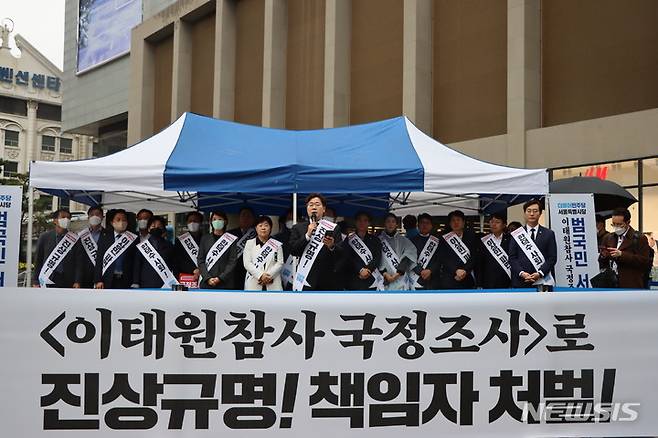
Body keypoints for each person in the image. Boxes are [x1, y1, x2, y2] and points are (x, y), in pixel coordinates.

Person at [288, 193, 343, 290]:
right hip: (305, 278)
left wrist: (331, 246)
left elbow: (341, 254)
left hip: (327, 280)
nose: (314, 207)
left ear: (324, 209)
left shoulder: (333, 228)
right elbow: (293, 250)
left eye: (317, 204)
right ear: (307, 208)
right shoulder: (298, 227)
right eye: (311, 205)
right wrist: (307, 235)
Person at [508, 199, 557, 289]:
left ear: (540, 213)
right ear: (524, 213)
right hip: (520, 281)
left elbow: (552, 258)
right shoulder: (517, 234)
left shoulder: (549, 234)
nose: (531, 214)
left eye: (535, 211)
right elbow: (512, 258)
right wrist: (522, 273)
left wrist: (540, 273)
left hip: (542, 281)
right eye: (529, 211)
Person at [599, 208, 651, 289]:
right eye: (613, 224)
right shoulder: (608, 237)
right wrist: (604, 255)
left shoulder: (639, 238)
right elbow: (601, 261)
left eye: (620, 224)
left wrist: (621, 255)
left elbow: (644, 261)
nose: (616, 227)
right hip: (610, 282)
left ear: (628, 222)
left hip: (630, 284)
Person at [94, 209, 139, 289]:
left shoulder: (133, 238)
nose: (121, 222)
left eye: (124, 220)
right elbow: (99, 260)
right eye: (118, 219)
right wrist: (98, 280)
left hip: (127, 279)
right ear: (112, 223)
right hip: (107, 279)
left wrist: (135, 282)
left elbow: (136, 262)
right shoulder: (105, 238)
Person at [33, 209, 78, 288]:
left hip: (68, 280)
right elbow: (38, 260)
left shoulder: (74, 238)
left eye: (68, 218)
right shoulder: (45, 237)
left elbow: (78, 263)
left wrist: (77, 281)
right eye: (63, 217)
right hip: (48, 277)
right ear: (55, 220)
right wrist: (36, 281)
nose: (66, 220)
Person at [341, 212, 383, 290]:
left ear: (369, 223)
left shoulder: (375, 240)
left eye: (365, 220)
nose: (362, 223)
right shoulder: (349, 239)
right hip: (353, 279)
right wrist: (360, 269)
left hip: (371, 279)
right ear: (355, 222)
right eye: (359, 220)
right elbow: (346, 257)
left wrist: (368, 269)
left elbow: (378, 257)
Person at [133, 216, 177, 288]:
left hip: (165, 283)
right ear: (149, 228)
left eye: (159, 226)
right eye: (153, 226)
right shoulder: (142, 246)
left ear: (163, 229)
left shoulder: (170, 245)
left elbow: (175, 264)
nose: (156, 228)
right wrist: (135, 282)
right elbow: (137, 266)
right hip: (146, 282)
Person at [198, 211, 239, 289]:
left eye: (220, 219)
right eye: (214, 219)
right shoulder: (205, 238)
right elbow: (200, 260)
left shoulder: (231, 239)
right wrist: (207, 278)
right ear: (211, 222)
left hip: (225, 282)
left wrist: (220, 278)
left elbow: (232, 261)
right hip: (207, 282)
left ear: (225, 222)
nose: (217, 221)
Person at [243, 216, 284, 290]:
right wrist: (261, 275)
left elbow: (280, 262)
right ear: (256, 228)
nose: (263, 228)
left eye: (266, 225)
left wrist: (268, 276)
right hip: (254, 282)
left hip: (273, 282)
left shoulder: (276, 244)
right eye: (260, 225)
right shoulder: (249, 243)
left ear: (270, 228)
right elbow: (247, 263)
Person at [439, 210, 478, 289]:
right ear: (450, 223)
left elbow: (474, 256)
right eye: (453, 220)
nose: (456, 222)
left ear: (463, 222)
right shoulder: (444, 239)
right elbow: (443, 258)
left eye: (458, 220)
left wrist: (465, 270)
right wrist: (456, 270)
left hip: (467, 277)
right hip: (449, 279)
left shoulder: (471, 237)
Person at [378, 213, 417, 290]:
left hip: (400, 279)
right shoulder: (378, 240)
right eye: (388, 221)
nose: (390, 224)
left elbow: (408, 256)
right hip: (384, 279)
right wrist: (385, 274)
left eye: (393, 221)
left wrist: (398, 273)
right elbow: (377, 259)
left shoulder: (404, 240)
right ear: (384, 224)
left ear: (396, 224)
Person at [477, 212, 511, 289]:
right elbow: (479, 264)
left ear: (504, 225)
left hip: (506, 281)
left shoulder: (510, 240)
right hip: (488, 282)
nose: (494, 224)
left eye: (497, 222)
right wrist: (479, 284)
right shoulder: (484, 240)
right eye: (492, 222)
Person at [74, 206, 104, 289]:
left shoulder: (108, 234)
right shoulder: (81, 235)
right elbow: (79, 259)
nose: (95, 217)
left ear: (102, 217)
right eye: (92, 215)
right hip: (85, 276)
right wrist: (77, 280)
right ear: (88, 217)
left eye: (97, 214)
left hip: (102, 277)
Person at [409, 213, 441, 290]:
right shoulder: (411, 241)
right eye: (422, 222)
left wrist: (430, 271)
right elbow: (410, 259)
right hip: (416, 278)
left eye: (427, 223)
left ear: (431, 226)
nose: (424, 225)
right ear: (418, 225)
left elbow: (439, 259)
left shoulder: (437, 241)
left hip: (433, 278)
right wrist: (421, 271)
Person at [228, 206, 257, 288]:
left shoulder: (257, 234)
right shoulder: (229, 235)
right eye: (243, 215)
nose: (246, 218)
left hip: (252, 274)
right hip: (233, 274)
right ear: (239, 218)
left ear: (253, 219)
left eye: (249, 216)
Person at [175, 211, 204, 286]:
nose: (192, 223)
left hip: (203, 276)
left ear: (200, 223)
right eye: (190, 221)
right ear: (187, 223)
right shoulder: (180, 240)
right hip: (185, 277)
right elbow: (178, 259)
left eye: (195, 221)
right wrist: (193, 270)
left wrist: (201, 270)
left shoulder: (206, 239)